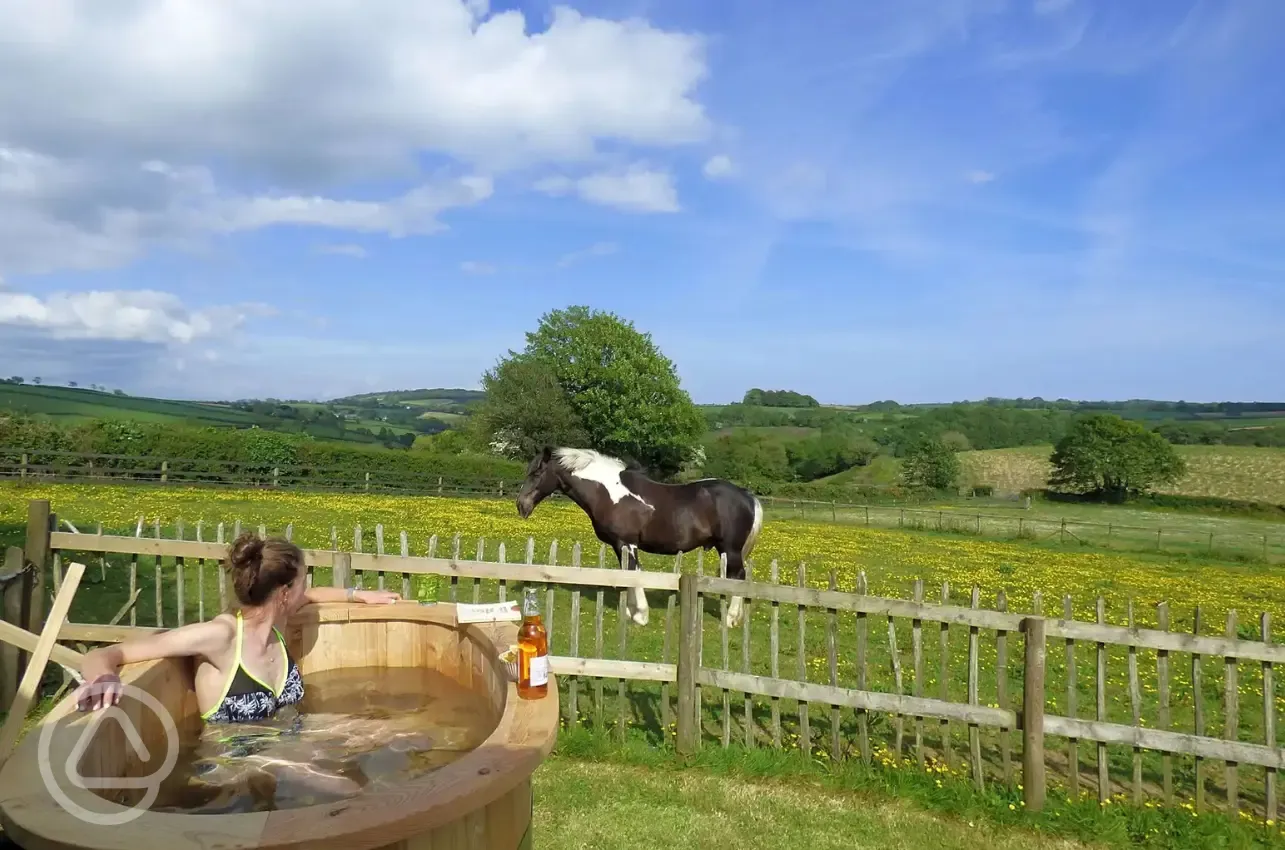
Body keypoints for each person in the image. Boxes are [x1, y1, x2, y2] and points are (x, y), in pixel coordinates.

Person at [73, 532, 401, 720]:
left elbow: (312, 596)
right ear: (285, 593)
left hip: (288, 751)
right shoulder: (221, 636)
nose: (307, 587)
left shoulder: (278, 622)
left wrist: (360, 596)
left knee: (394, 730)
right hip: (231, 775)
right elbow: (110, 652)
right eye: (303, 579)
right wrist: (104, 678)